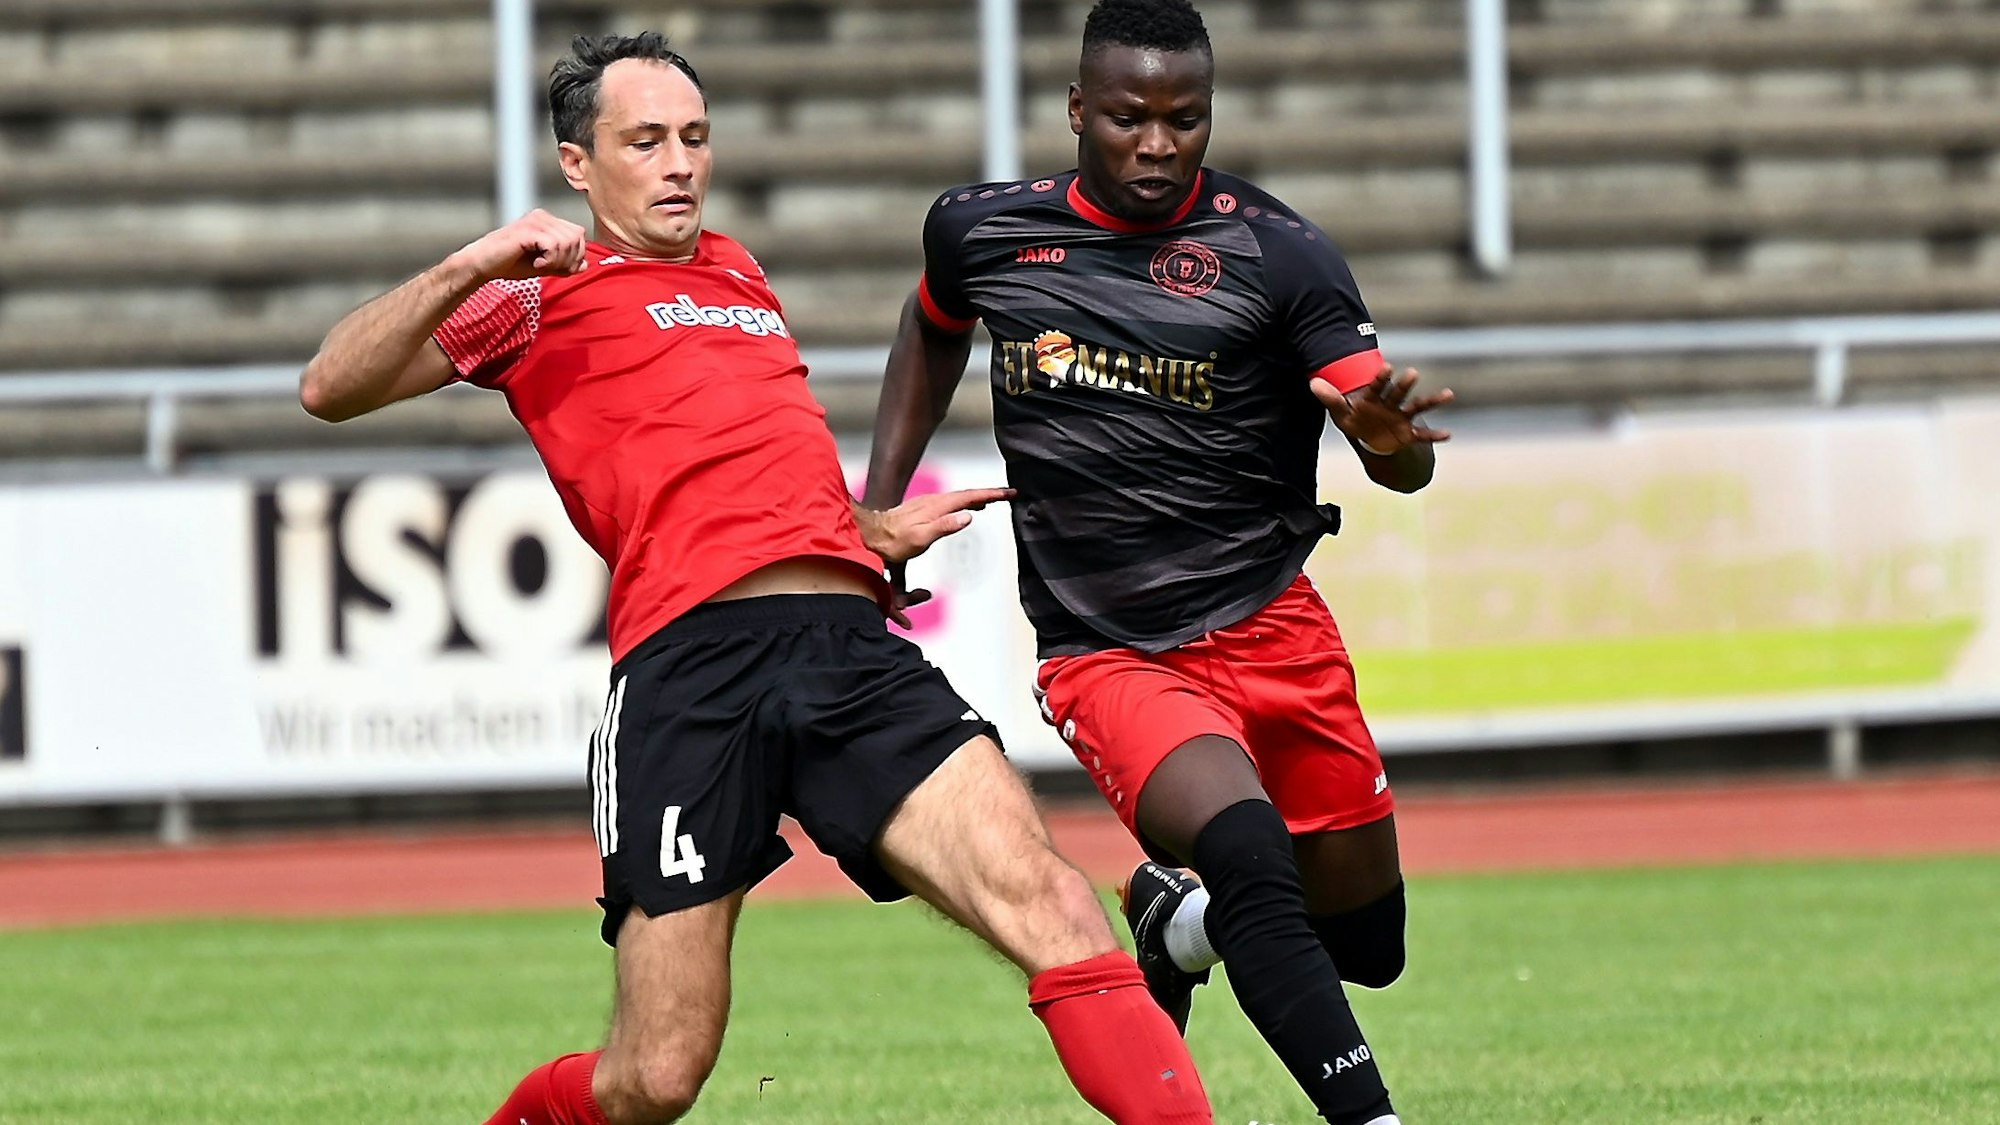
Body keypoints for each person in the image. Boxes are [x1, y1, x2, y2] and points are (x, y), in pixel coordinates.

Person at [299, 32, 1213, 1125]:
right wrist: (472, 263)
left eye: (694, 136)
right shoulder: (540, 290)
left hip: (847, 652)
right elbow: (327, 386)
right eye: (645, 141)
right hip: (689, 671)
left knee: (1057, 904)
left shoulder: (738, 271)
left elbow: (738, 465)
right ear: (577, 166)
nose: (680, 161)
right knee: (654, 1075)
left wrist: (863, 528)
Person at [862, 2, 1453, 1123]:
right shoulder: (984, 231)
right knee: (1249, 858)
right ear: (1078, 109)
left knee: (1365, 947)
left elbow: (1394, 451)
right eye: (1129, 117)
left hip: (1273, 626)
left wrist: (1387, 453)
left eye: (1184, 120)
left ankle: (1171, 925)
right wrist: (876, 504)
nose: (1155, 143)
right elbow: (934, 321)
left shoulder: (1280, 253)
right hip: (1108, 649)